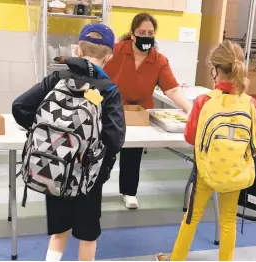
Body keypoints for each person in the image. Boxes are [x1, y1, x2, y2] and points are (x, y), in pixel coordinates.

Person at [12, 23, 125, 261]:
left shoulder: (58, 77)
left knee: (59, 231)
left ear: (78, 51)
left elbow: (19, 107)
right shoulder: (108, 89)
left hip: (54, 166)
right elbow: (115, 140)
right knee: (87, 235)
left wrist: (46, 135)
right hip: (88, 175)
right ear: (109, 56)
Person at [156, 40, 256, 261]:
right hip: (235, 171)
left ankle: (176, 259)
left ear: (214, 70)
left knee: (192, 217)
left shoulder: (204, 101)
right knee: (228, 219)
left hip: (206, 171)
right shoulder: (250, 102)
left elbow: (190, 137)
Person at [104, 13, 192, 209]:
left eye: (150, 33)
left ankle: (129, 192)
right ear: (133, 35)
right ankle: (92, 189)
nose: (146, 36)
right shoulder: (117, 51)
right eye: (141, 32)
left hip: (139, 112)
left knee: (133, 152)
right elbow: (97, 68)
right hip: (111, 108)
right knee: (104, 149)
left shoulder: (158, 60)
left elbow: (172, 89)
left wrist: (190, 109)